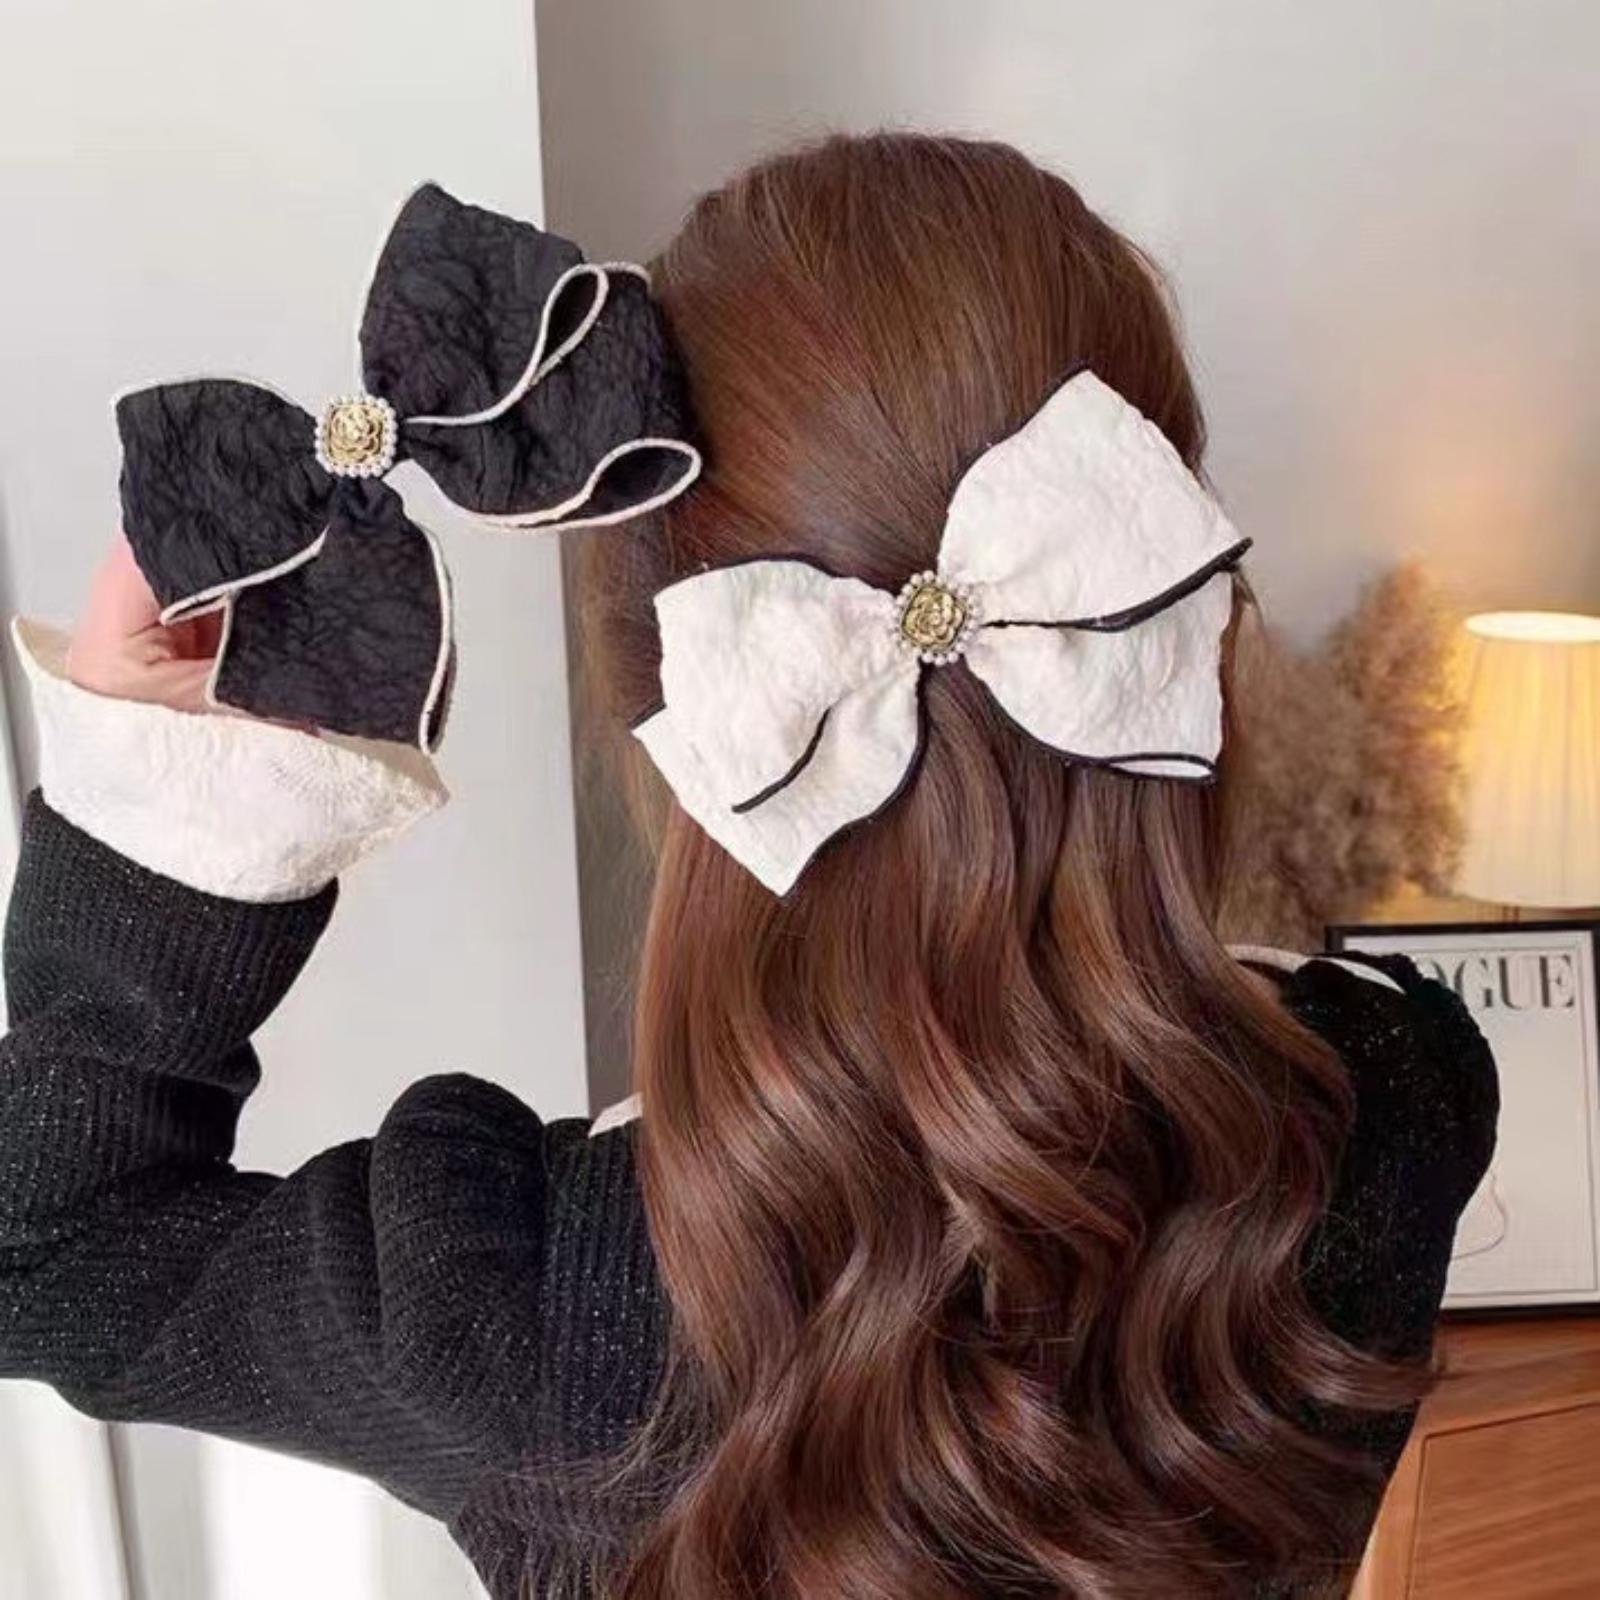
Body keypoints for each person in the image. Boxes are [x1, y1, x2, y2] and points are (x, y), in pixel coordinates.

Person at [0, 133, 1495, 1599]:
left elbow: (45, 1242)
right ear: (1175, 587)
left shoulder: (515, 1301)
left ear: (666, 692)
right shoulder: (1396, 1100)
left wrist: (178, 796)